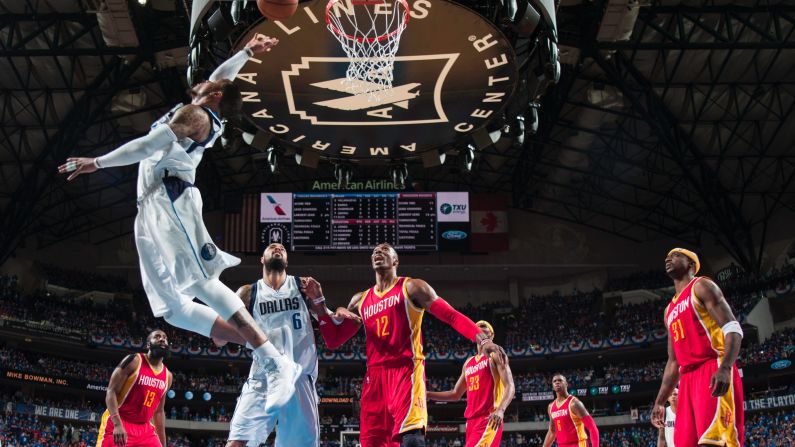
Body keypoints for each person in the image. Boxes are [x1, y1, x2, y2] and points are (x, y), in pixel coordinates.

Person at [58, 33, 301, 414]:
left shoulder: (196, 115)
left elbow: (146, 146)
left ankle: (275, 360)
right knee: (170, 307)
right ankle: (248, 336)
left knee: (201, 282)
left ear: (214, 96)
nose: (203, 80)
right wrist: (248, 52)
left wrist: (98, 163)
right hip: (149, 209)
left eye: (210, 85)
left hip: (171, 200)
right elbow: (221, 77)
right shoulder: (203, 106)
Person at [315, 243, 507, 447]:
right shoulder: (359, 300)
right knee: (372, 442)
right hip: (374, 377)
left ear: (395, 260)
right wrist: (324, 306)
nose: (377, 252)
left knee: (412, 438)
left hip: (406, 370)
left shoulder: (412, 287)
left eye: (384, 250)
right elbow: (333, 340)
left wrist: (483, 339)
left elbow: (450, 315)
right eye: (374, 251)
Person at [218, 243, 360, 447]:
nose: (277, 248)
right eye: (272, 246)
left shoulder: (302, 287)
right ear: (261, 259)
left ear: (287, 260)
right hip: (263, 377)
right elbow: (219, 339)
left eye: (282, 248)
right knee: (237, 443)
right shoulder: (248, 292)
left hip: (299, 378)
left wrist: (329, 305)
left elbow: (330, 326)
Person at [651, 248, 744, 446]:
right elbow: (673, 361)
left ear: (691, 265)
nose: (669, 258)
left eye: (675, 256)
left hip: (711, 368)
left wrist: (725, 367)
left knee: (714, 441)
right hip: (686, 380)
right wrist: (660, 401)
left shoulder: (701, 286)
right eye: (667, 256)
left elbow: (733, 328)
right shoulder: (669, 310)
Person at [427, 321, 515, 447]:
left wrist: (501, 410)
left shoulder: (495, 354)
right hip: (471, 422)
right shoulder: (468, 363)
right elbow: (455, 394)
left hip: (489, 418)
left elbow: (510, 386)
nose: (480, 328)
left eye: (484, 327)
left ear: (492, 335)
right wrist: (427, 394)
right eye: (477, 328)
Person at [96, 330, 172, 447]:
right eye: (157, 337)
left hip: (145, 429)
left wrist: (163, 444)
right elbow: (111, 391)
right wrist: (117, 424)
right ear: (148, 345)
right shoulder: (134, 361)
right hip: (120, 421)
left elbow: (159, 412)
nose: (162, 339)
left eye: (165, 338)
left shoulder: (168, 376)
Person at [542, 374, 599, 447]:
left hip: (578, 444)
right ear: (553, 386)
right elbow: (552, 431)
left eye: (560, 380)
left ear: (566, 384)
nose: (557, 382)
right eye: (554, 381)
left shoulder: (574, 403)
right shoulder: (551, 407)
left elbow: (592, 427)